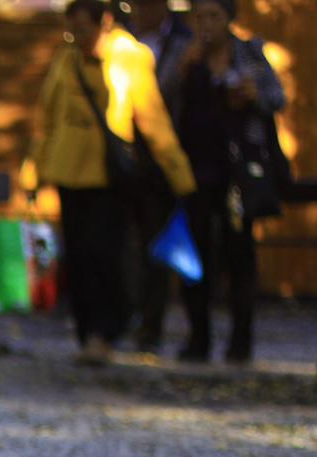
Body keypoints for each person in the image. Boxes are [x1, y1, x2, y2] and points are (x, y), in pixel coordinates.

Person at [22, 0, 194, 365]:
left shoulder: (129, 56)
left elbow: (152, 118)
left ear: (105, 23)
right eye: (72, 31)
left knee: (103, 252)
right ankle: (89, 336)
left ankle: (105, 331)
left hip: (108, 175)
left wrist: (179, 175)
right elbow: (47, 117)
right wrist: (32, 172)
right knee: (80, 256)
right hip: (68, 171)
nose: (77, 39)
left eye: (82, 30)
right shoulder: (66, 57)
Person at [173, 0, 284, 363]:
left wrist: (256, 96)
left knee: (239, 255)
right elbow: (160, 100)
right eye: (199, 16)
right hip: (194, 170)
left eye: (213, 17)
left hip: (238, 171)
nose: (205, 24)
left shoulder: (249, 55)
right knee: (196, 255)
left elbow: (276, 97)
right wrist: (180, 71)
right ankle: (198, 337)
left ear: (229, 20)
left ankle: (241, 341)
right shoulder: (184, 54)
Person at [126, 0, 193, 351]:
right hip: (124, 163)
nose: (136, 11)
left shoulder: (185, 43)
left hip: (163, 164)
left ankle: (151, 324)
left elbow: (164, 102)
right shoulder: (122, 41)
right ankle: (128, 317)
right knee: (126, 245)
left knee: (157, 244)